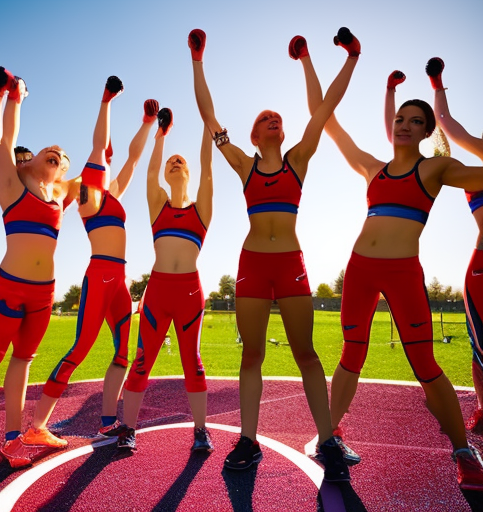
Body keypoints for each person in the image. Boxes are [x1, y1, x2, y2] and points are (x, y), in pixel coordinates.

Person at [188, 27, 360, 480]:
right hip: (252, 266)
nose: (274, 120)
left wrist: (336, 59)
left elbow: (323, 108)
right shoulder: (243, 164)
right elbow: (209, 115)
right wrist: (198, 59)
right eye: (266, 117)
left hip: (290, 266)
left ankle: (328, 441)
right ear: (253, 132)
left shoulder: (298, 159)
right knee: (252, 356)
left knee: (306, 353)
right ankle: (248, 440)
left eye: (278, 118)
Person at [304, 56, 483, 489]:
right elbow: (325, 121)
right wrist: (309, 61)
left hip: (404, 273)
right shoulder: (372, 167)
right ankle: (331, 432)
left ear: (426, 131)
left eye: (415, 120)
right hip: (360, 269)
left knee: (425, 364)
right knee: (351, 353)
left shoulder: (435, 169)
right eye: (400, 118)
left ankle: (463, 452)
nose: (404, 125)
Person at [20, 78, 159, 458]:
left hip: (121, 279)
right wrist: (107, 101)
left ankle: (106, 421)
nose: (104, 159)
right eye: (100, 161)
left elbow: (131, 158)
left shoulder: (112, 194)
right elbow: (101, 146)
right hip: (99, 275)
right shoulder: (88, 198)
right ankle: (36, 427)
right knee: (79, 349)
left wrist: (148, 126)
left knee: (121, 354)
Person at [0, 66, 73, 467]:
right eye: (51, 150)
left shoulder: (59, 199)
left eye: (63, 157)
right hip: (10, 286)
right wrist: (6, 98)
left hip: (44, 293)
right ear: (26, 165)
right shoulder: (11, 186)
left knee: (23, 360)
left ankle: (15, 438)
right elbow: (1, 140)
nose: (59, 153)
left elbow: (98, 167)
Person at [117, 108, 214, 453]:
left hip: (190, 292)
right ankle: (128, 429)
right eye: (171, 160)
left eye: (180, 161)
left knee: (193, 362)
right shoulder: (157, 203)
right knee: (143, 359)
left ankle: (201, 432)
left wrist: (207, 126)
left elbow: (208, 166)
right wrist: (161, 137)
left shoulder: (201, 207)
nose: (175, 163)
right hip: (158, 291)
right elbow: (149, 174)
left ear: (188, 173)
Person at [425, 57, 483, 435]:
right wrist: (437, 83)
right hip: (481, 268)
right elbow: (447, 124)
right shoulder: (473, 165)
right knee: (480, 350)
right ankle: (482, 407)